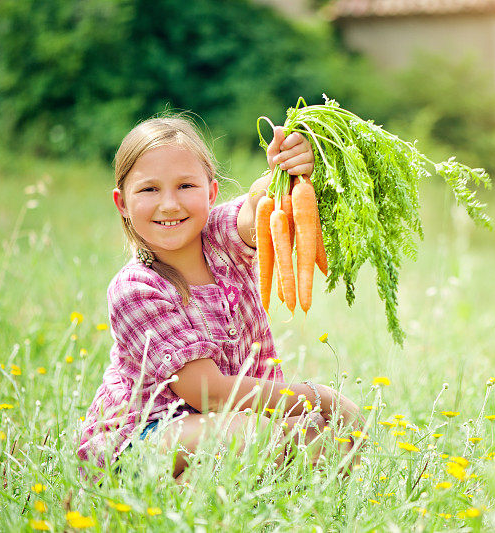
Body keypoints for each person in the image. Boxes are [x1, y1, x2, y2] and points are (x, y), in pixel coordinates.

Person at [77, 113, 362, 480]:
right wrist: (320, 396)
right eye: (149, 189)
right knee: (253, 435)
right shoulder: (136, 289)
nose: (169, 204)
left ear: (211, 193)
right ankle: (149, 495)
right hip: (140, 442)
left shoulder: (219, 238)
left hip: (223, 423)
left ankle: (205, 494)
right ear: (122, 203)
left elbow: (259, 208)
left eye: (186, 186)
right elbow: (209, 394)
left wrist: (285, 169)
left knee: (328, 438)